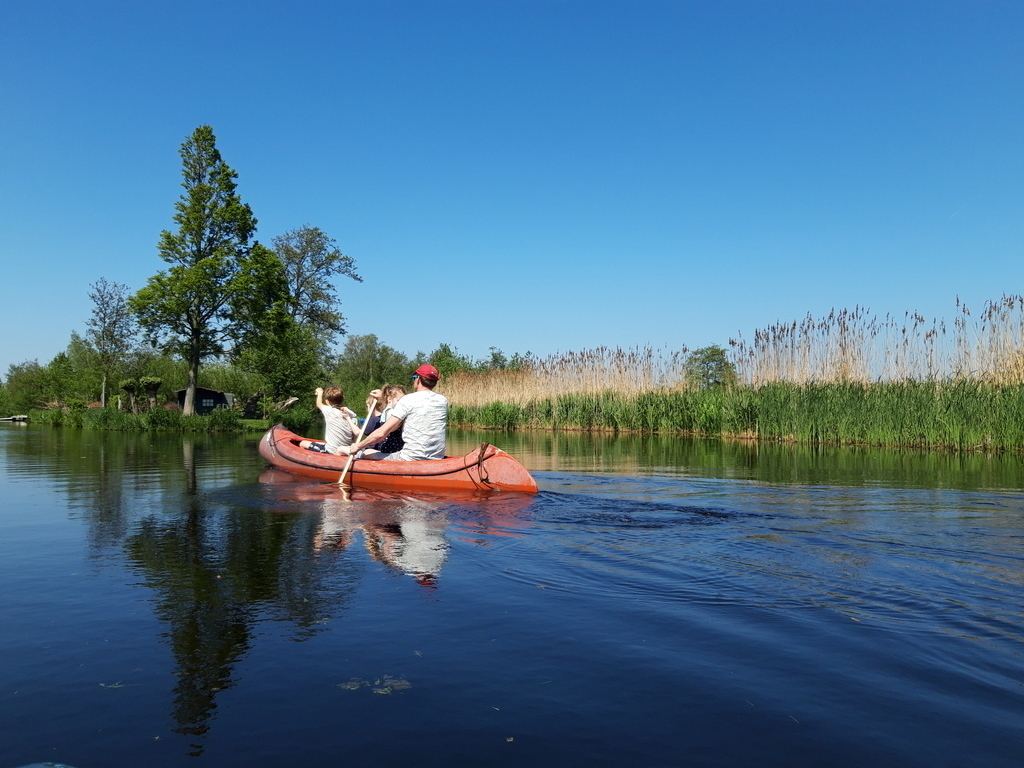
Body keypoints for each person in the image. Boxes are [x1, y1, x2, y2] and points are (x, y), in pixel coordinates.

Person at [340, 365, 447, 461]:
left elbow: (381, 433)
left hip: (409, 458)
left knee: (366, 452)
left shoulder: (407, 400)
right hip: (437, 458)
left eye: (414, 378)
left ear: (418, 379)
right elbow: (420, 406)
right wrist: (383, 396)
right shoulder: (443, 401)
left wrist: (358, 446)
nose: (414, 381)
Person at [299, 386, 358, 455]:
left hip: (331, 451)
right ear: (343, 398)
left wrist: (320, 393)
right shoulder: (351, 415)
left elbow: (319, 404)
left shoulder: (329, 411)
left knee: (303, 443)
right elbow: (354, 439)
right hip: (345, 451)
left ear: (327, 401)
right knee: (321, 443)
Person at [362, 383, 407, 453]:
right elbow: (393, 421)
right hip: (390, 449)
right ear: (389, 399)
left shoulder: (389, 411)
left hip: (394, 448)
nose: (402, 403)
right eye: (399, 400)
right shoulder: (390, 412)